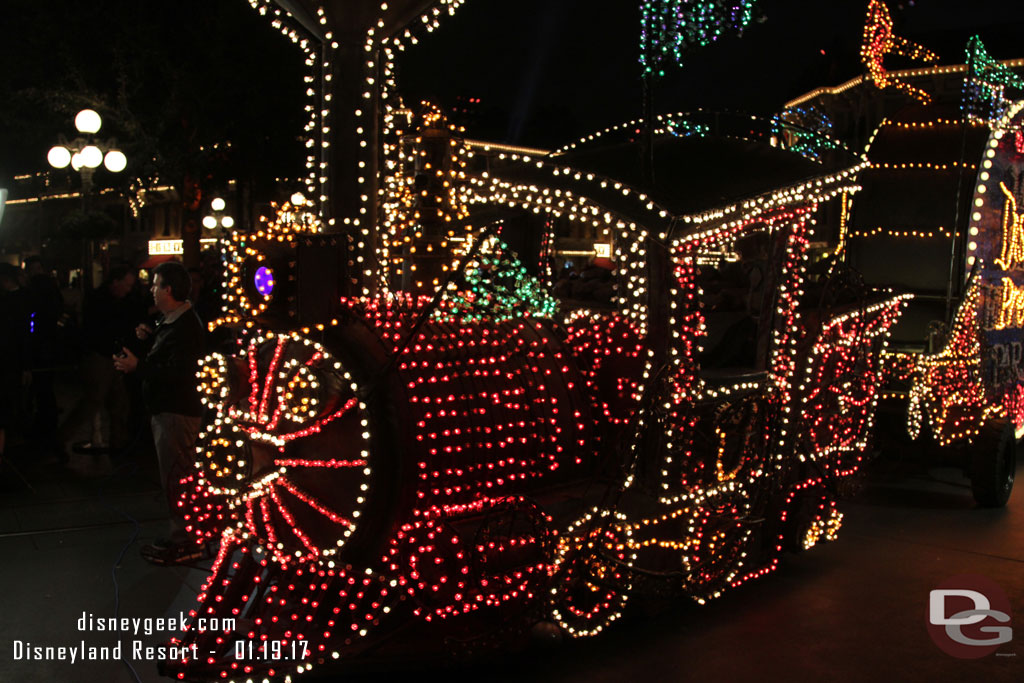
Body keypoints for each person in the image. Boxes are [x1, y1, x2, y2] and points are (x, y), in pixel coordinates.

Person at [114, 261, 207, 565]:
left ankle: (186, 540)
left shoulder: (186, 326)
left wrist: (137, 367)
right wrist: (149, 336)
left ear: (168, 289)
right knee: (175, 475)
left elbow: (178, 372)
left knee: (177, 476)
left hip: (176, 412)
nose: (151, 290)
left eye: (155, 285)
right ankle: (183, 535)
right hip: (168, 410)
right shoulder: (172, 320)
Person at [58, 265, 139, 470]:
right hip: (100, 356)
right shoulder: (101, 301)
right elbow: (102, 329)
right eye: (126, 285)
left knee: (118, 402)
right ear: (116, 282)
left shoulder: (113, 300)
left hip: (109, 355)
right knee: (94, 401)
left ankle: (119, 443)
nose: (128, 289)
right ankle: (61, 439)